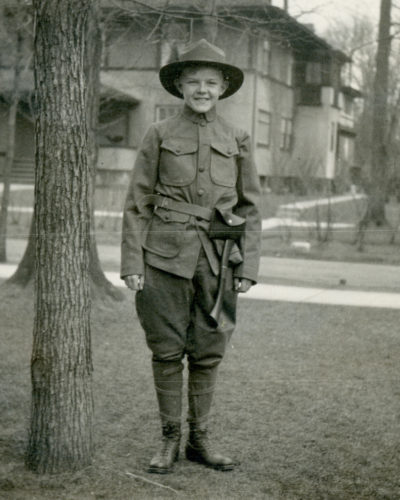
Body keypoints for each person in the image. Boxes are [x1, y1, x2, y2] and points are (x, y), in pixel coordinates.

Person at [121, 38, 261, 474]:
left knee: (208, 351)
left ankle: (200, 440)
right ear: (180, 86)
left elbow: (249, 207)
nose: (202, 89)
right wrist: (132, 263)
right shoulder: (158, 133)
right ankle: (169, 440)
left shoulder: (237, 137)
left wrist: (248, 267)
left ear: (222, 89)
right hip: (162, 255)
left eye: (211, 82)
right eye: (194, 81)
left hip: (219, 261)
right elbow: (136, 201)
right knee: (165, 351)